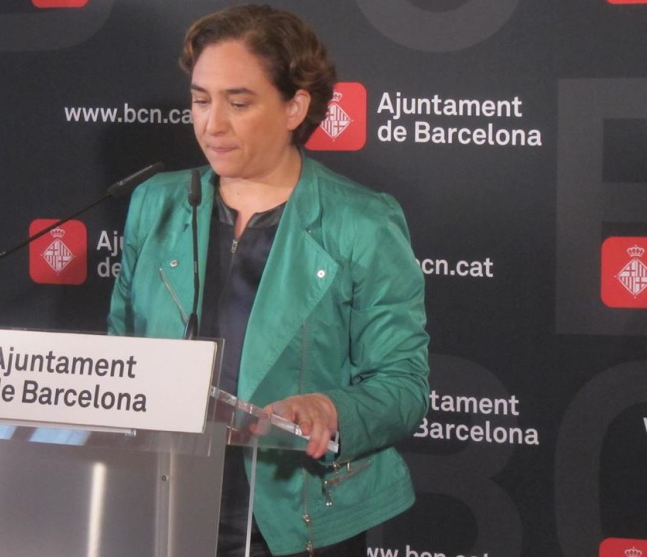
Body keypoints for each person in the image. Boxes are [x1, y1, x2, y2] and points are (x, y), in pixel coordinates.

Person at [108, 5, 430, 556]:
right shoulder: (154, 204)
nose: (212, 124)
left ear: (294, 107)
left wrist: (330, 409)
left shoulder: (362, 222)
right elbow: (120, 356)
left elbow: (403, 385)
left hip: (297, 523)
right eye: (201, 100)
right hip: (162, 509)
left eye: (238, 103)